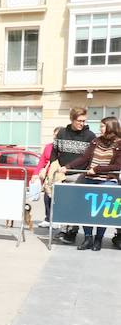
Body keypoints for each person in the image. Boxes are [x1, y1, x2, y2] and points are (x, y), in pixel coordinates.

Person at [62, 116, 121, 251]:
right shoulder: (95, 141)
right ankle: (88, 237)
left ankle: (98, 239)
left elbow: (118, 166)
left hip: (107, 180)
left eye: (102, 126)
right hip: (89, 178)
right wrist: (68, 166)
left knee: (103, 210)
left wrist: (97, 169)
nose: (100, 129)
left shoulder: (119, 144)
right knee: (86, 208)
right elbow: (84, 158)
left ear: (110, 127)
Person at [53, 107, 97, 244]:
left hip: (79, 175)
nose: (82, 123)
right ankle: (66, 229)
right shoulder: (61, 133)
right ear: (72, 119)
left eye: (84, 121)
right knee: (64, 204)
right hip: (62, 174)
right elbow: (54, 152)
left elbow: (88, 157)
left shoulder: (90, 136)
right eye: (79, 121)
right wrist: (54, 166)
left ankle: (72, 231)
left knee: (75, 204)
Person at [35, 127, 62, 228]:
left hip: (58, 175)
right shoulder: (48, 147)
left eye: (58, 135)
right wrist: (35, 174)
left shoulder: (63, 148)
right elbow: (42, 161)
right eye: (55, 135)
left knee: (57, 198)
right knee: (47, 197)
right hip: (48, 176)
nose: (56, 137)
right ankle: (47, 218)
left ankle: (57, 220)